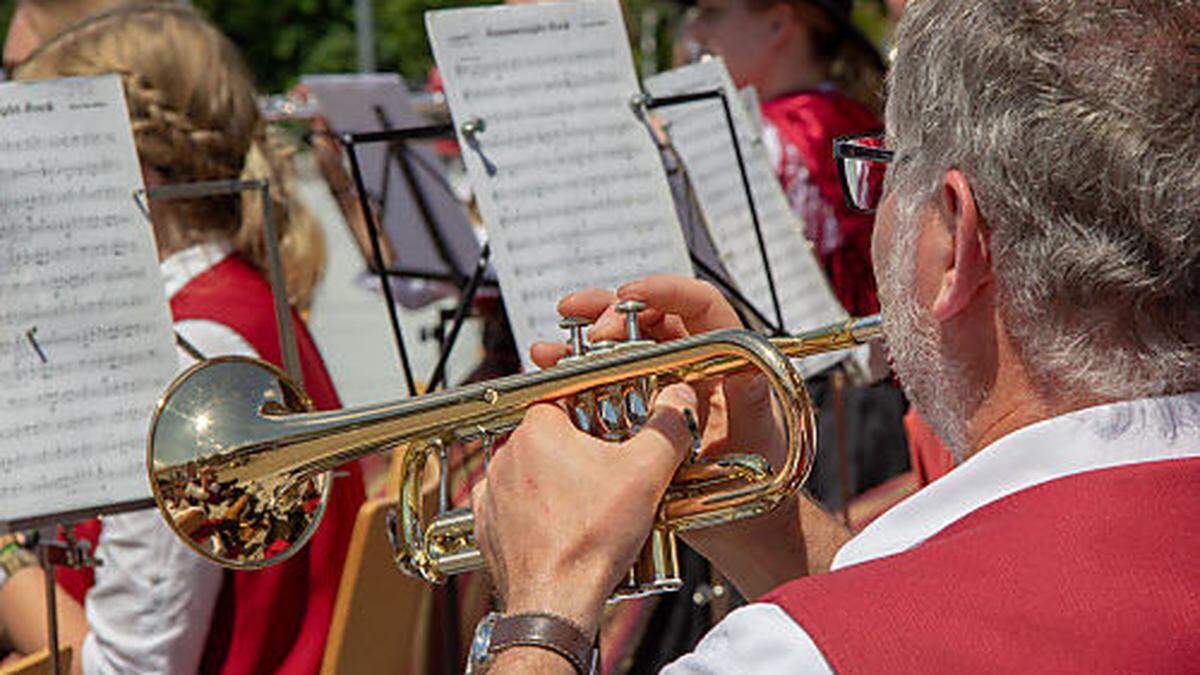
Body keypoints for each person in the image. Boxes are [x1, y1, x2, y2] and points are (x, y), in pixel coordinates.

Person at [466, 0, 1200, 672]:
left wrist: (542, 610)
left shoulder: (780, 658)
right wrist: (759, 510)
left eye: (881, 170)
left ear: (955, 238)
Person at [0, 5, 363, 673]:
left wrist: (8, 561)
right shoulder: (240, 299)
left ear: (136, 170)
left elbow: (128, 669)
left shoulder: (180, 355)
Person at [689, 0, 907, 512]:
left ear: (778, 22)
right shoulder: (849, 114)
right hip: (868, 405)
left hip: (818, 419)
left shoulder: (768, 138)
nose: (698, 30)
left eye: (714, 12)